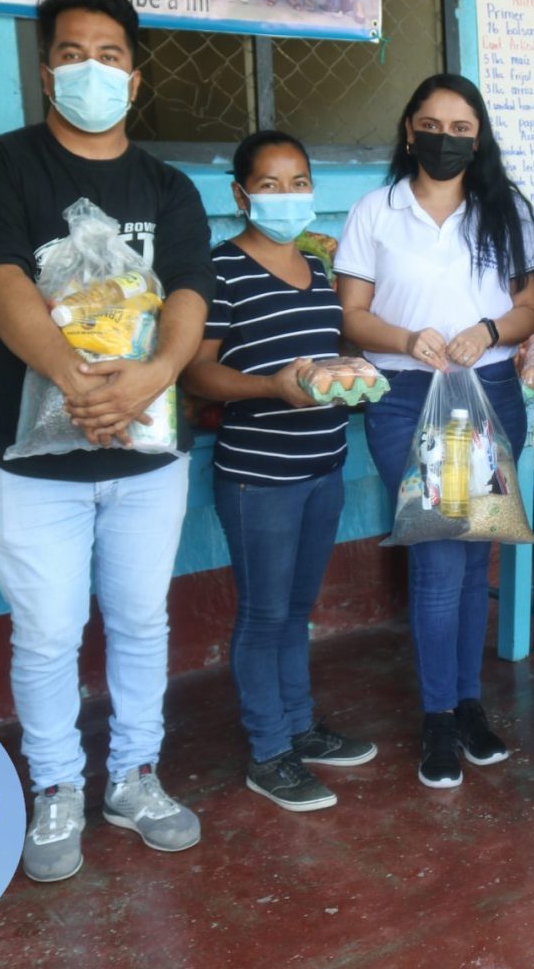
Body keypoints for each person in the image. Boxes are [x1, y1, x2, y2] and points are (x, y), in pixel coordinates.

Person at [0, 0, 213, 883]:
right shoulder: (0, 165)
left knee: (142, 622)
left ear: (134, 79)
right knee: (48, 633)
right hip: (32, 461)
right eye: (72, 53)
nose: (89, 69)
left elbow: (187, 295)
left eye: (108, 55)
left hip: (148, 455)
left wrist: (148, 380)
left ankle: (134, 776)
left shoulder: (168, 188)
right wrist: (76, 387)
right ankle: (57, 785)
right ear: (44, 69)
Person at [336, 73, 534, 789]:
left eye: (461, 128)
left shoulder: (504, 208)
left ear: (478, 137)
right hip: (404, 396)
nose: (446, 138)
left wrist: (487, 329)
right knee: (437, 556)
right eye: (432, 124)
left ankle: (467, 706)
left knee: (471, 551)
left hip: (486, 390)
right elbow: (352, 315)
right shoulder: (376, 210)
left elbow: (529, 306)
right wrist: (405, 336)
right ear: (407, 131)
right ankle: (437, 718)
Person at [181, 130, 375, 813]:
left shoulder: (319, 270)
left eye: (299, 183)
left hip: (324, 464)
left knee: (297, 609)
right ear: (240, 194)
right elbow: (198, 371)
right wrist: (271, 387)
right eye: (270, 184)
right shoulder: (220, 269)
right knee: (264, 615)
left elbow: (328, 351)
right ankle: (270, 752)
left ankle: (300, 727)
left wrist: (358, 367)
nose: (287, 197)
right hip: (258, 474)